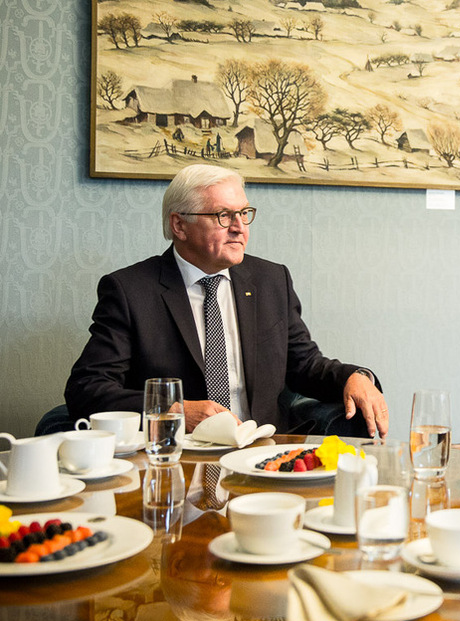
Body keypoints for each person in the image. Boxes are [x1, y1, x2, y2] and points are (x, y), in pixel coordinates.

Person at [65, 163, 388, 437]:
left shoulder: (270, 280)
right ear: (180, 225)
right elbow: (87, 388)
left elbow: (303, 364)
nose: (238, 228)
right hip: (180, 451)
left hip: (263, 447)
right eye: (222, 215)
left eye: (244, 213)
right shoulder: (130, 290)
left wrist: (353, 376)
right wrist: (173, 411)